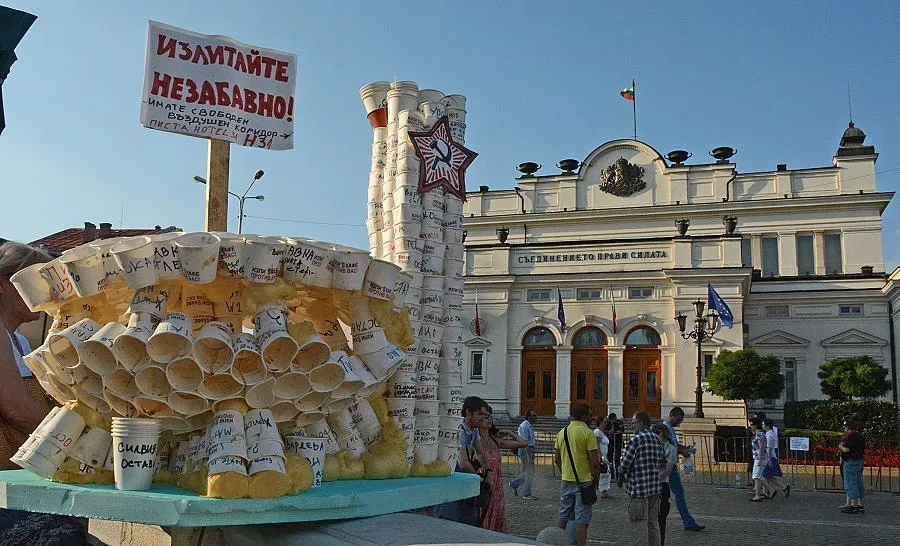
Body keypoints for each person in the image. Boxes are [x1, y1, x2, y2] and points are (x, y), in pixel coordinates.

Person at [0, 240, 85, 544]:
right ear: (3, 286)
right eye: (35, 283)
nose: (47, 292)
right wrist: (80, 442)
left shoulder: (19, 340)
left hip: (14, 477)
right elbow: (15, 408)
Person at [436, 396, 488, 526]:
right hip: (451, 479)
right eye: (480, 414)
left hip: (463, 482)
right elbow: (463, 463)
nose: (483, 417)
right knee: (450, 519)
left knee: (469, 517)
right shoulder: (459, 430)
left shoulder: (474, 430)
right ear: (468, 413)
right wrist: (479, 479)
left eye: (484, 414)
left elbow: (480, 452)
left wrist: (489, 471)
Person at [554, 405, 600, 546]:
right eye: (590, 415)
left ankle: (556, 541)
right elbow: (594, 463)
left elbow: (556, 459)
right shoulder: (587, 433)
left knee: (564, 515)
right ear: (584, 416)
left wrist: (565, 472)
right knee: (582, 517)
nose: (592, 418)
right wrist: (596, 480)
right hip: (584, 481)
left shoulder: (562, 432)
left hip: (566, 479)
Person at [618, 412, 666, 546]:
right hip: (655, 488)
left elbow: (625, 464)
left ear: (641, 423)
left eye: (633, 423)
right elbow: (663, 462)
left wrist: (620, 473)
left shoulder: (636, 440)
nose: (632, 426)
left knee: (639, 524)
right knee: (653, 523)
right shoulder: (657, 439)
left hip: (639, 490)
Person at [478, 405, 527, 532]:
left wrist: (510, 433)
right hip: (483, 484)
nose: (489, 419)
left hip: (496, 486)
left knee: (497, 512)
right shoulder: (475, 440)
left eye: (490, 417)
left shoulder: (495, 440)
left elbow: (523, 443)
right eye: (486, 416)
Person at [661, 407, 705, 531]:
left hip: (671, 464)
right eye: (678, 420)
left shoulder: (670, 429)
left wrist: (685, 448)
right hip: (669, 465)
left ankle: (688, 521)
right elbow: (668, 446)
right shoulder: (665, 428)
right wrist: (683, 451)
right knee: (679, 493)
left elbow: (675, 445)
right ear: (672, 415)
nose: (679, 423)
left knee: (676, 492)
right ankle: (688, 521)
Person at [652, 423, 678, 546]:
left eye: (657, 434)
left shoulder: (671, 449)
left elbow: (668, 470)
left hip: (662, 486)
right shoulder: (651, 447)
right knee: (650, 520)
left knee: (661, 519)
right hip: (650, 487)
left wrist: (654, 478)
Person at [838, 419, 865, 514]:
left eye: (846, 428)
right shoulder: (860, 436)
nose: (845, 430)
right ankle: (860, 504)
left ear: (849, 428)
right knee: (859, 483)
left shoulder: (850, 437)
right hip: (859, 461)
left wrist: (840, 447)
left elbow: (846, 449)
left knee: (851, 483)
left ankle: (853, 505)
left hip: (850, 462)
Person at [510, 409, 537, 500]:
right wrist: (529, 456)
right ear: (529, 417)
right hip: (526, 450)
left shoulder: (529, 426)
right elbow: (525, 442)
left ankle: (516, 484)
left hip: (529, 449)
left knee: (529, 471)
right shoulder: (525, 426)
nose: (535, 417)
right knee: (530, 472)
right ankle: (526, 493)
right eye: (533, 415)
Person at [762, 419, 790, 498]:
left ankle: (771, 490)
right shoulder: (768, 434)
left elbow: (770, 448)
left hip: (770, 457)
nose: (762, 426)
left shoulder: (769, 435)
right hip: (770, 457)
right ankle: (782, 487)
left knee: (764, 476)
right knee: (769, 476)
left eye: (763, 425)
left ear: (767, 426)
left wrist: (770, 460)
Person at [590, 417, 611, 498]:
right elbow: (597, 444)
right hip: (601, 456)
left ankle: (604, 490)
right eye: (605, 422)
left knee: (605, 473)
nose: (606, 424)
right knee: (602, 473)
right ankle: (602, 491)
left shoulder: (602, 432)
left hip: (604, 455)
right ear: (600, 422)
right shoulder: (597, 432)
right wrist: (599, 455)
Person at [749, 417, 768, 502]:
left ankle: (757, 495)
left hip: (760, 457)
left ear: (756, 425)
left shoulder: (760, 434)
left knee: (756, 476)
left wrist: (760, 459)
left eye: (752, 424)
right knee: (759, 476)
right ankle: (768, 491)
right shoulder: (757, 434)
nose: (751, 426)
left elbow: (761, 447)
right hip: (758, 457)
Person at [602, 413, 624, 479]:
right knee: (610, 459)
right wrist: (609, 432)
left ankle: (618, 475)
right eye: (613, 419)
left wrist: (615, 432)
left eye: (615, 418)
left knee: (617, 459)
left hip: (617, 443)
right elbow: (603, 430)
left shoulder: (619, 422)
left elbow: (621, 430)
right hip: (610, 443)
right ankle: (611, 475)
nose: (615, 420)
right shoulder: (607, 424)